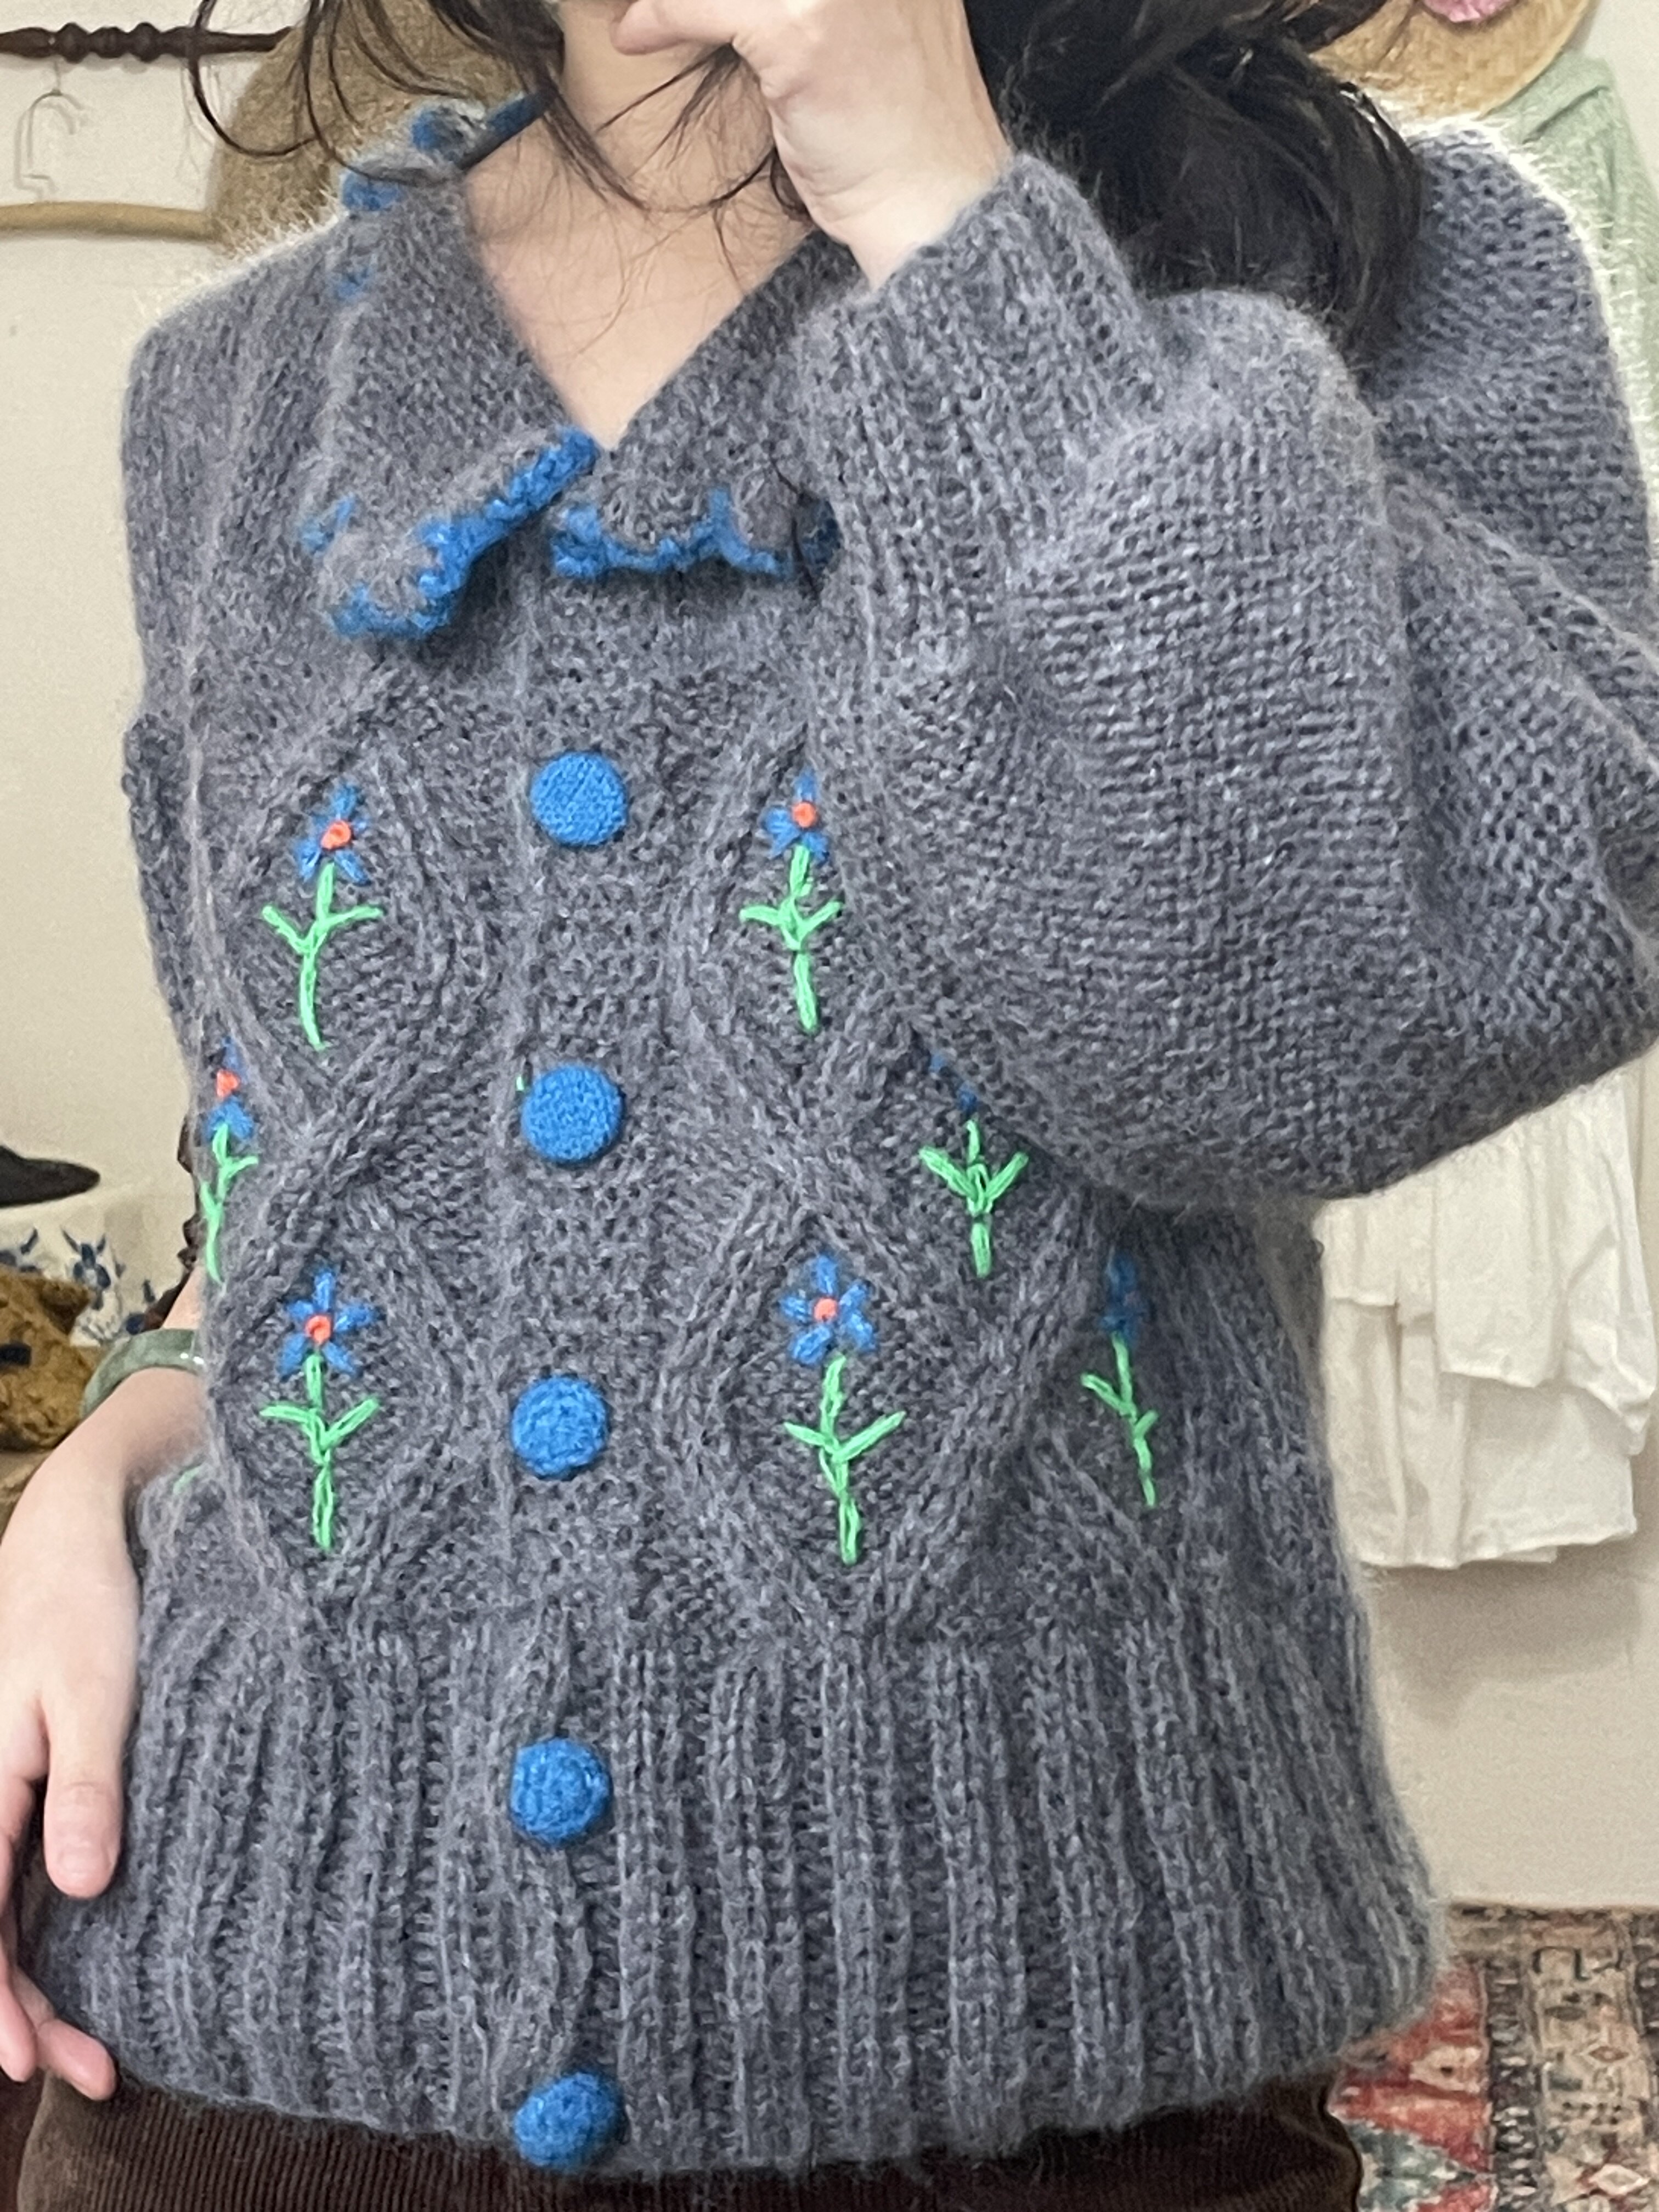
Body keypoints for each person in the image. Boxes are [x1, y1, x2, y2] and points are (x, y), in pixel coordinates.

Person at [3, 0, 1657, 2201]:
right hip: (242, 2064)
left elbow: (1319, 1028)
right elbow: (304, 1174)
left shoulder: (1385, 262)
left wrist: (947, 221)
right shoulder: (232, 394)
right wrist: (108, 1458)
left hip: (1057, 2069)